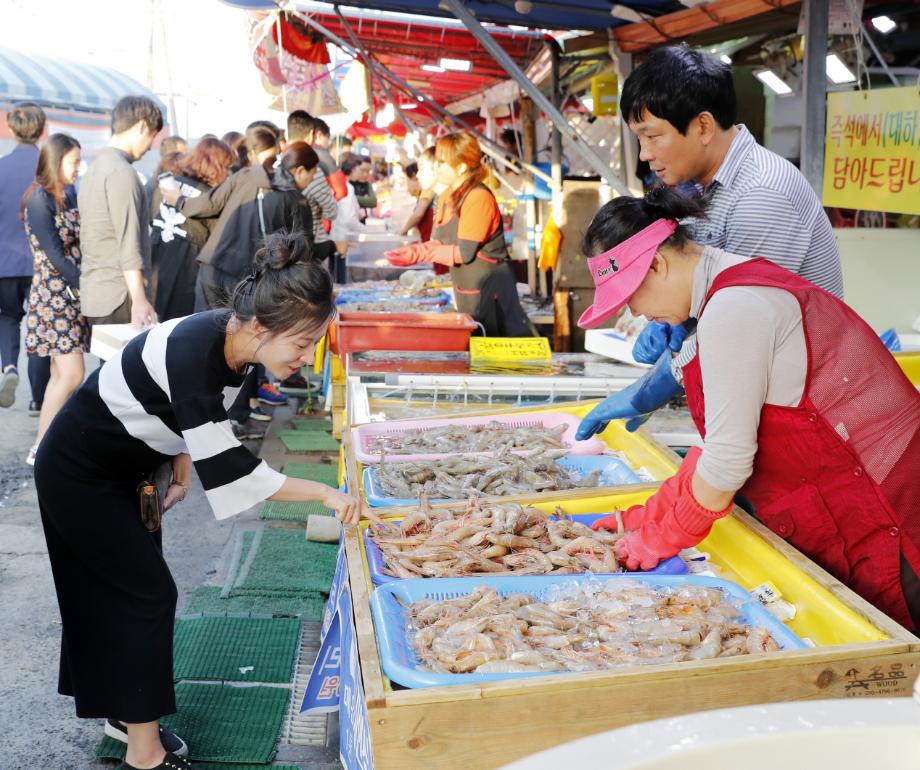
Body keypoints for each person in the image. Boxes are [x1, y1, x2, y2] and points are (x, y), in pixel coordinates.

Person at [34, 230, 377, 770]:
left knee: (118, 592)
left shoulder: (233, 341)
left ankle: (124, 714)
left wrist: (180, 457)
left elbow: (191, 414)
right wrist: (326, 494)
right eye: (303, 344)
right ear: (262, 327)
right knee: (143, 595)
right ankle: (143, 752)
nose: (308, 361)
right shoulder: (200, 348)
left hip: (128, 465)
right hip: (81, 472)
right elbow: (233, 467)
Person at [576, 188, 920, 631]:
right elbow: (715, 444)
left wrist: (660, 539)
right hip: (853, 499)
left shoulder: (734, 307)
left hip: (889, 516)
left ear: (658, 264)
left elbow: (725, 464)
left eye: (630, 297)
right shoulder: (730, 284)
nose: (637, 312)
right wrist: (646, 516)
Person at [576, 45, 845, 440]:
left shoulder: (762, 194)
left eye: (652, 136)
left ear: (702, 126)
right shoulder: (701, 189)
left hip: (809, 408)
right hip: (763, 393)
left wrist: (654, 387)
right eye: (639, 138)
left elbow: (743, 325)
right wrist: (681, 322)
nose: (645, 154)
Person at [163, 139, 324, 430]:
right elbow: (304, 249)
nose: (311, 181)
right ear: (300, 170)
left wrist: (178, 201)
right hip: (247, 279)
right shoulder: (294, 199)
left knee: (208, 341)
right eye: (312, 174)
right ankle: (234, 415)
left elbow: (208, 204)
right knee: (248, 344)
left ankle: (198, 414)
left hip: (212, 268)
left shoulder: (247, 175)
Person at [386, 133, 531, 338]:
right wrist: (416, 251)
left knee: (492, 357)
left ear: (461, 167)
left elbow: (465, 253)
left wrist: (421, 253)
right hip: (466, 291)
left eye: (442, 162)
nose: (437, 167)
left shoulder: (478, 197)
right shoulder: (446, 197)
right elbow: (440, 241)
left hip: (492, 294)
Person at [21, 133, 87, 465]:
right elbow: (54, 255)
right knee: (72, 374)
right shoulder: (39, 199)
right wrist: (84, 283)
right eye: (74, 161)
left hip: (69, 296)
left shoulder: (67, 195)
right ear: (56, 160)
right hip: (54, 296)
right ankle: (43, 447)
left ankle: (43, 446)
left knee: (63, 376)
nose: (78, 168)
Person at [78, 95, 162, 329]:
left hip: (97, 293)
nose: (151, 146)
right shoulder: (121, 172)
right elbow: (127, 242)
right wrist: (139, 299)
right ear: (142, 125)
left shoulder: (95, 169)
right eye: (152, 136)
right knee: (126, 365)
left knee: (109, 365)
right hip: (120, 295)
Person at [0, 101, 51, 411]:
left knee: (7, 317)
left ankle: (9, 368)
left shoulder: (0, 166)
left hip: (4, 263)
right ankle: (38, 399)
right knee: (40, 324)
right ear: (43, 129)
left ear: (10, 128)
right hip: (41, 264)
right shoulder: (49, 168)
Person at [149, 137, 234, 320]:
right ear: (215, 165)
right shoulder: (208, 200)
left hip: (154, 262)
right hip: (185, 272)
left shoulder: (167, 184)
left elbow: (150, 218)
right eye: (226, 167)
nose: (228, 174)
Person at [399, 148, 437, 242]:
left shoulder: (428, 190)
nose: (419, 176)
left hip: (430, 244)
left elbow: (418, 214)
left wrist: (403, 230)